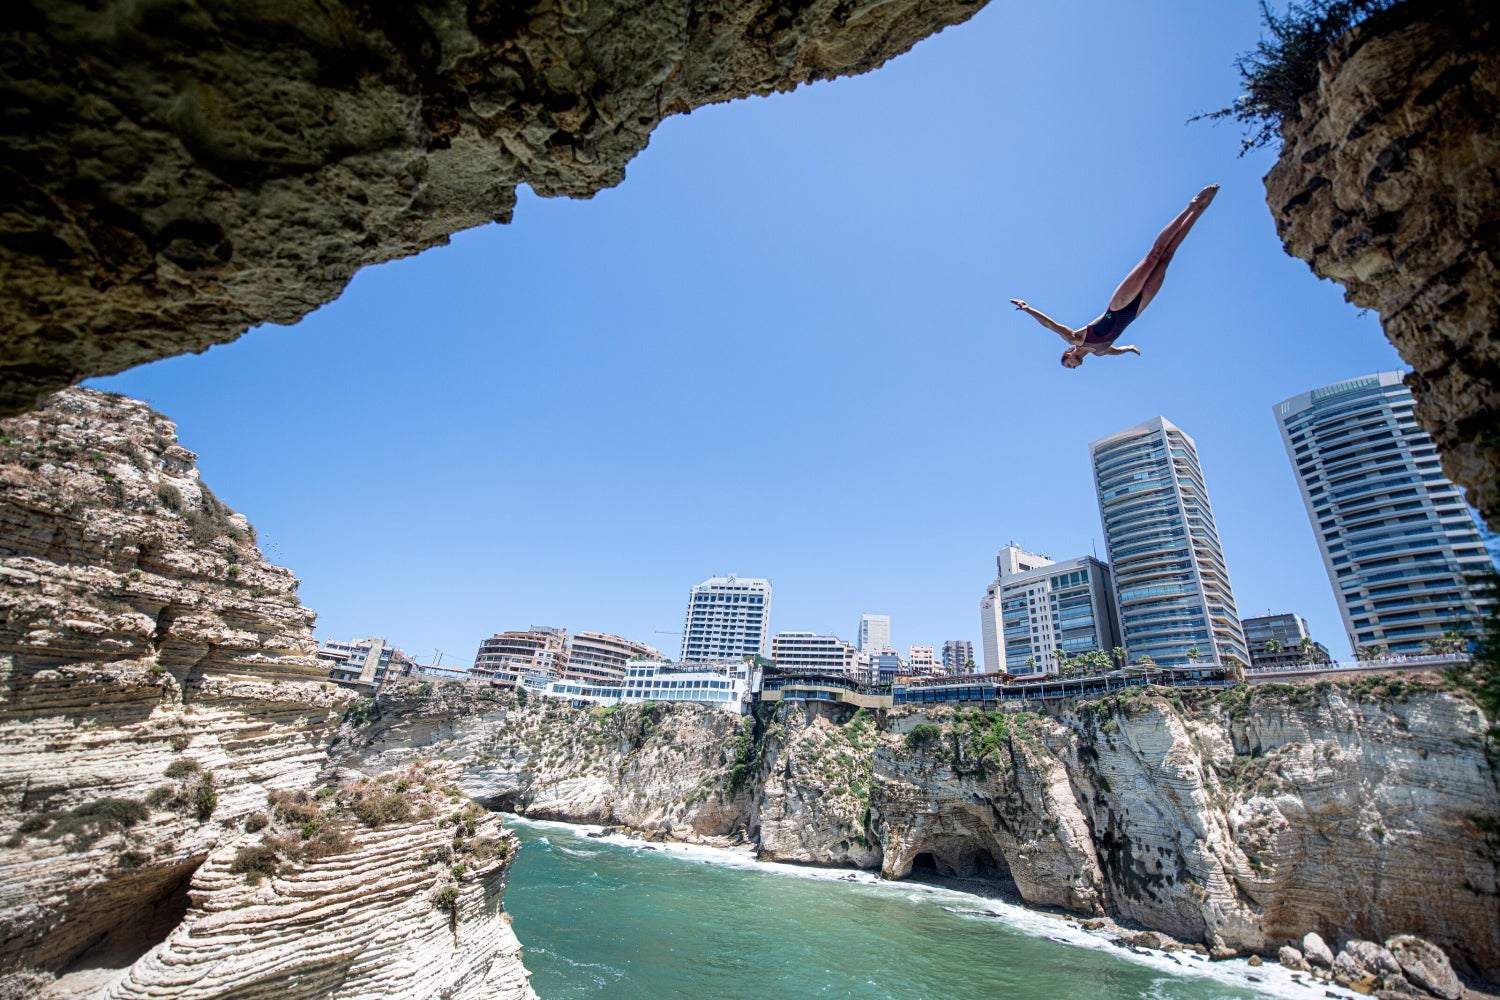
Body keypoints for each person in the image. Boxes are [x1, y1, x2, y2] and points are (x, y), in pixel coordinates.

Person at [1011, 184, 1219, 368]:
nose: (1074, 367)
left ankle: (1190, 206)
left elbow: (1051, 325)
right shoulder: (1101, 352)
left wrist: (1028, 309)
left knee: (1154, 255)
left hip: (1119, 305)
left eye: (1069, 365)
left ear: (1068, 355)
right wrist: (1129, 348)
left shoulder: (1075, 339)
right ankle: (1200, 212)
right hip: (1136, 309)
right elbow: (1117, 350)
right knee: (1166, 259)